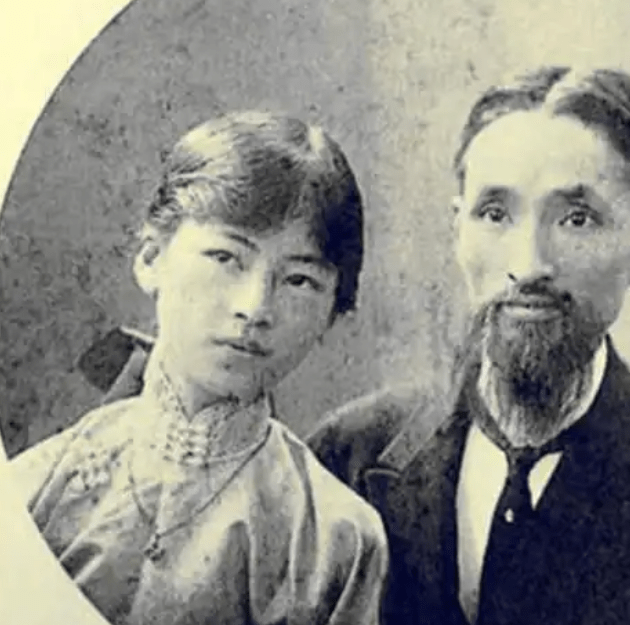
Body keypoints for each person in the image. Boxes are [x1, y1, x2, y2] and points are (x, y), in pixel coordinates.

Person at [306, 67, 630, 625]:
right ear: (458, 231)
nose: (527, 265)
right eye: (495, 214)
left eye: (577, 219)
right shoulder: (343, 461)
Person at [10, 112, 387, 625]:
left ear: (333, 313)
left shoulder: (336, 540)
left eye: (299, 281)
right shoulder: (37, 486)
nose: (255, 307)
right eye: (226, 258)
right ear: (151, 258)